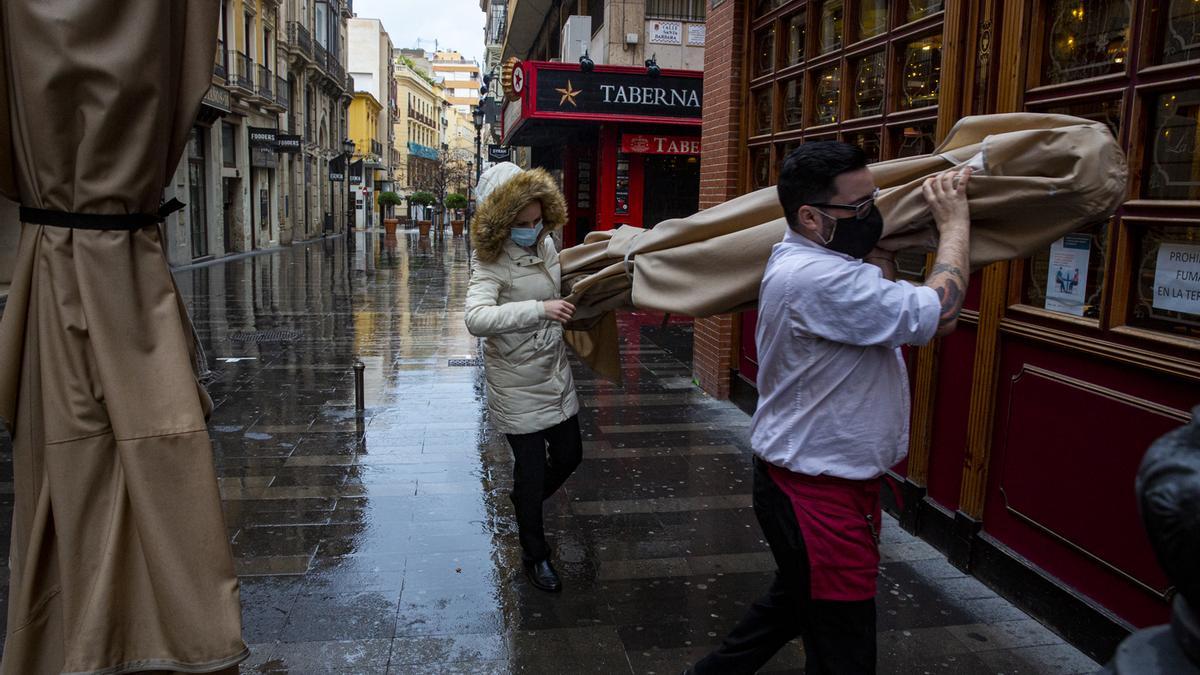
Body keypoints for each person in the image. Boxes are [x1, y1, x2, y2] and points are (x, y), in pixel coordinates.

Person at [685, 142, 973, 675]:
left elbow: (869, 299)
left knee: (793, 605)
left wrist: (877, 252)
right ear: (811, 217)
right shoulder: (817, 278)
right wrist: (954, 224)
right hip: (815, 495)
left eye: (875, 200)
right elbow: (943, 312)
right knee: (844, 648)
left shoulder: (812, 258)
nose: (873, 215)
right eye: (859, 208)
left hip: (811, 481)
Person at [465, 162, 582, 593]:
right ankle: (536, 556)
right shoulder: (490, 259)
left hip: (553, 372)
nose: (531, 230)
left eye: (537, 221)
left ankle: (524, 502)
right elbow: (476, 318)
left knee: (570, 455)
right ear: (502, 220)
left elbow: (555, 289)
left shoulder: (547, 245)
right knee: (531, 473)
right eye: (521, 223)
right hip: (514, 380)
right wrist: (539, 310)